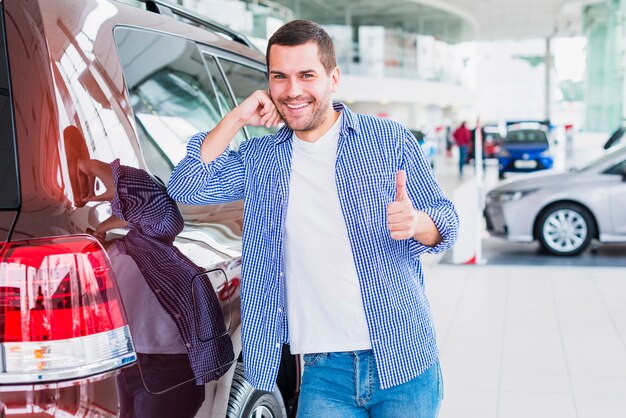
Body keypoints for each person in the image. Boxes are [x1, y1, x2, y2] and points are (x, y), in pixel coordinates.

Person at [168, 19, 458, 417]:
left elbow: (447, 221)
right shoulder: (261, 161)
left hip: (403, 355)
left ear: (333, 78)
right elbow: (187, 185)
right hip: (324, 371)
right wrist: (236, 118)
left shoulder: (388, 142)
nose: (293, 90)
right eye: (279, 77)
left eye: (307, 75)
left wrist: (418, 224)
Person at [76, 158, 233, 418]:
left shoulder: (153, 242)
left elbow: (159, 208)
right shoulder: (109, 252)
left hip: (169, 368)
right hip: (126, 365)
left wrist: (88, 165)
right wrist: (102, 230)